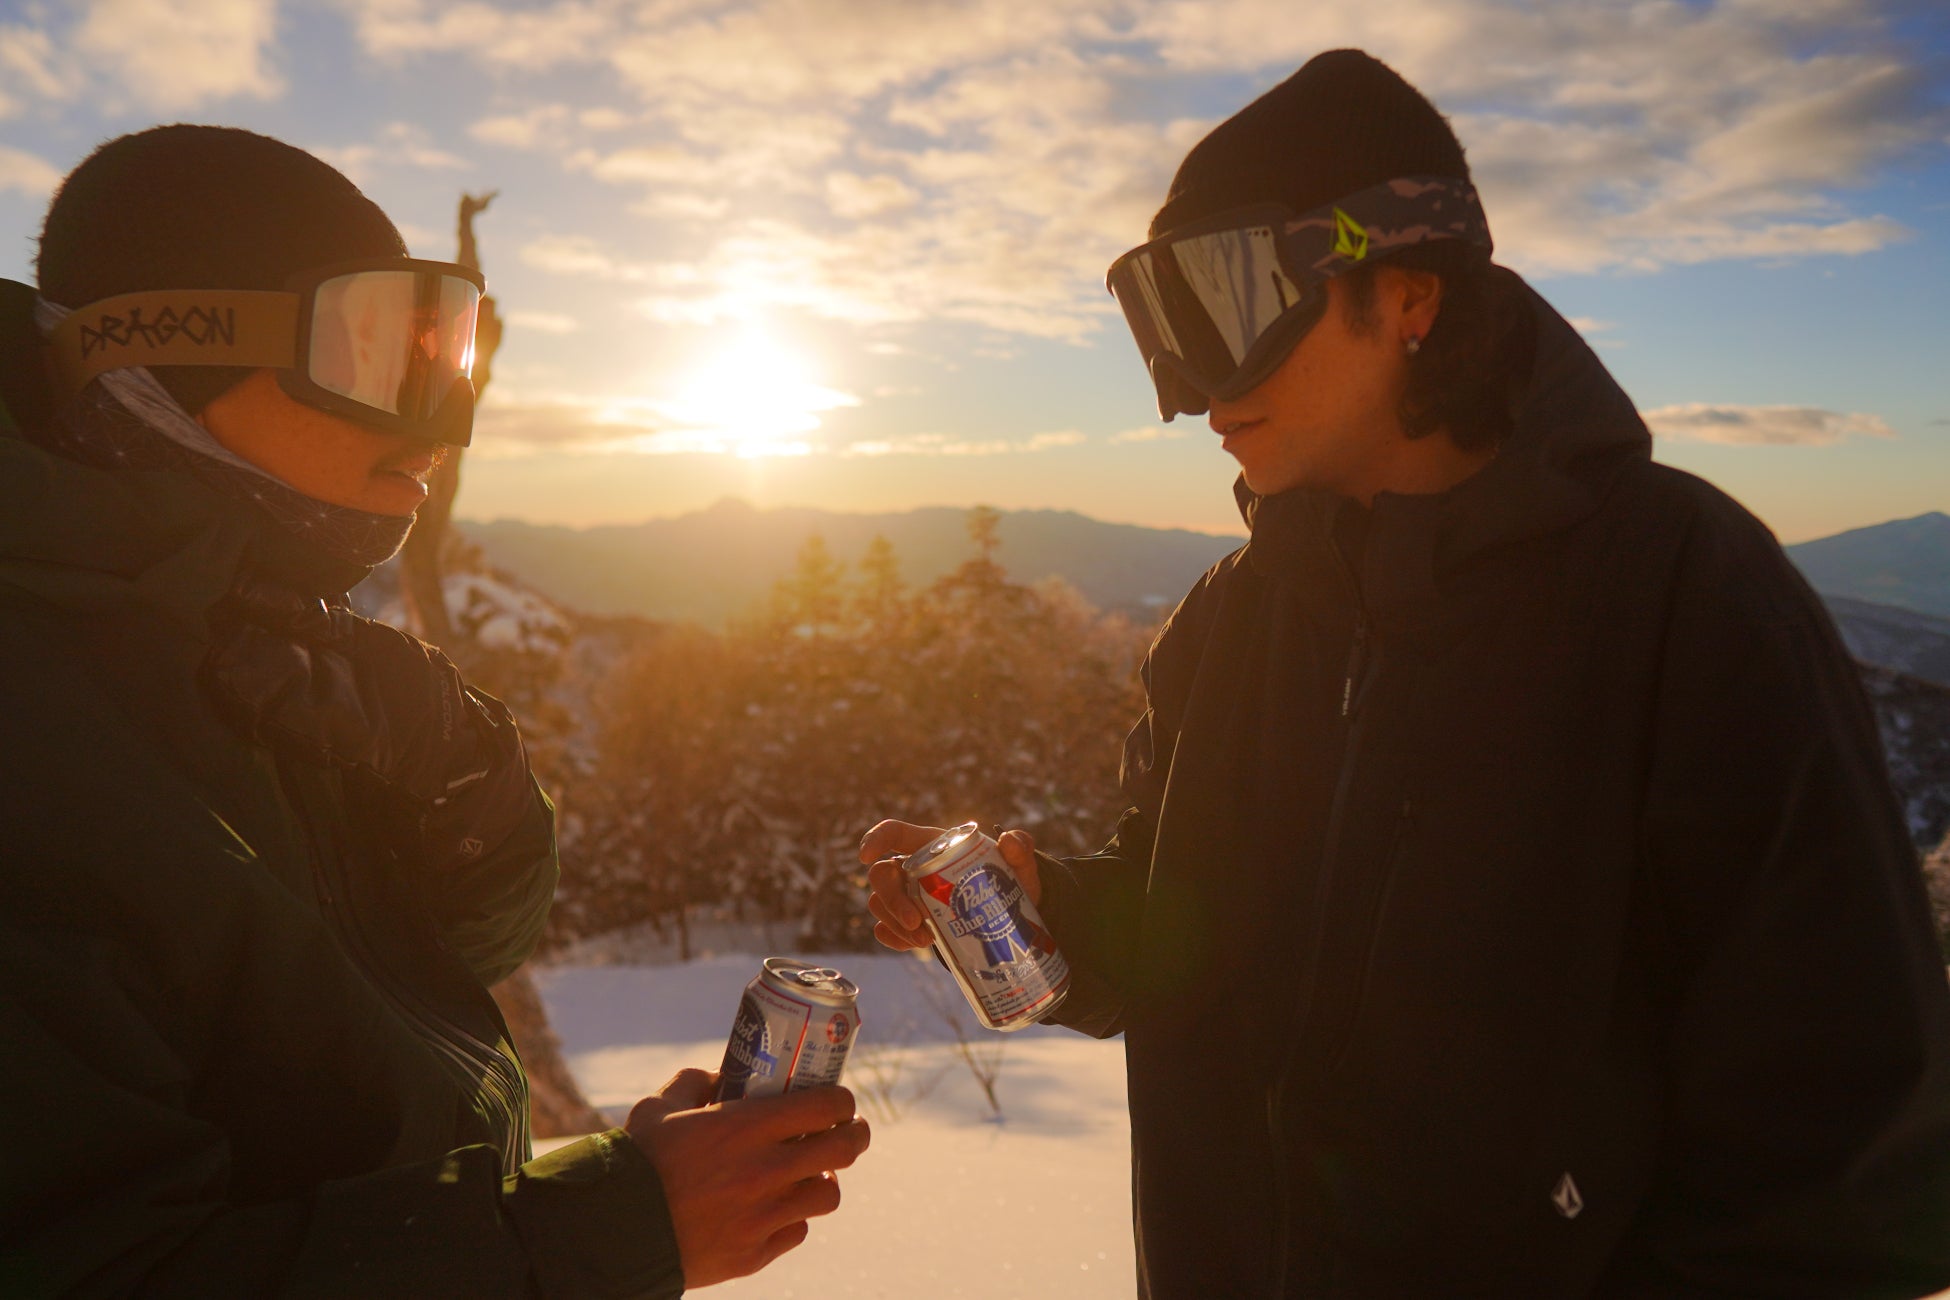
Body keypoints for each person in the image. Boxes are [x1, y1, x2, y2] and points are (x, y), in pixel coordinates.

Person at [864, 49, 1950, 1298]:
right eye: (1165, 325)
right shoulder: (1231, 623)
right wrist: (1051, 910)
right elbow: (1194, 938)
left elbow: (1851, 1150)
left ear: (1411, 293)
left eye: (1229, 301)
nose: (1193, 392)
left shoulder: (1687, 602)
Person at [0, 125, 867, 1298]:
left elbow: (428, 979)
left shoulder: (254, 635)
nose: (440, 424)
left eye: (443, 353)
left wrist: (471, 786)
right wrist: (605, 1234)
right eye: (370, 354)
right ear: (159, 354)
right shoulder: (46, 728)